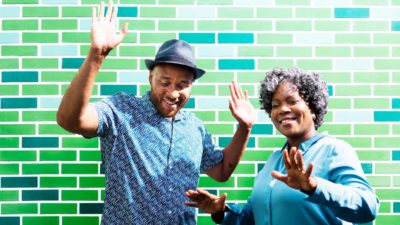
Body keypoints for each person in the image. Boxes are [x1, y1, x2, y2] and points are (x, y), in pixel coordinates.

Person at [56, 1, 255, 224]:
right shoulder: (121, 111)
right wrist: (97, 55)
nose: (173, 92)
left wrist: (244, 128)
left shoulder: (195, 127)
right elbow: (70, 120)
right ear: (151, 77)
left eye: (182, 85)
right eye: (165, 82)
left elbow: (221, 171)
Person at [185, 67, 379, 225]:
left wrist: (313, 186)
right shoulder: (273, 161)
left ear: (313, 108)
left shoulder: (333, 150)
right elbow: (251, 219)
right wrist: (221, 212)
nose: (283, 109)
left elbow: (368, 208)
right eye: (275, 105)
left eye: (292, 101)